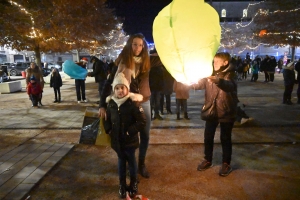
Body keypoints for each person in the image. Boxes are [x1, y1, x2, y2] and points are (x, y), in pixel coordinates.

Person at [99, 33, 151, 178]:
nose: (138, 48)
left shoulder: (147, 60)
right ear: (130, 45)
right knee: (128, 134)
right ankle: (131, 162)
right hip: (127, 102)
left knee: (145, 134)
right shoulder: (122, 61)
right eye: (135, 44)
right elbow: (108, 84)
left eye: (141, 45)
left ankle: (141, 163)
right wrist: (102, 105)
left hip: (144, 99)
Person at [194, 52, 238, 177]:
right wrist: (188, 82)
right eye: (214, 62)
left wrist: (219, 81)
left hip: (226, 111)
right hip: (211, 110)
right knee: (208, 137)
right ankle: (208, 159)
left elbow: (230, 86)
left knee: (225, 138)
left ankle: (226, 163)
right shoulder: (210, 74)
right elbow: (200, 84)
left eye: (217, 62)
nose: (214, 64)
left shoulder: (231, 74)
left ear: (225, 63)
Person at [103, 73, 146, 198]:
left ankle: (133, 184)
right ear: (114, 90)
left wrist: (130, 131)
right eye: (117, 88)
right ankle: (122, 184)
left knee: (132, 163)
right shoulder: (111, 104)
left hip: (130, 141)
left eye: (122, 87)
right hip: (117, 141)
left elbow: (142, 121)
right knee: (121, 163)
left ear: (127, 88)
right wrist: (109, 130)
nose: (120, 91)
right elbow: (107, 120)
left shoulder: (133, 103)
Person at [149, 48, 164, 120]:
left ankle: (155, 114)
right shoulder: (151, 68)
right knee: (153, 102)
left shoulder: (159, 68)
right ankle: (152, 114)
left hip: (156, 87)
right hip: (152, 87)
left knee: (156, 102)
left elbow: (162, 78)